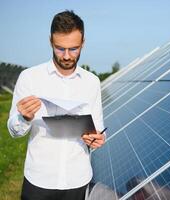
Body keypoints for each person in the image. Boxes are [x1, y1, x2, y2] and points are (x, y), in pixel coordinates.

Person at [7, 10, 106, 200]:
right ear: (50, 42)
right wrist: (24, 118)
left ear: (83, 43)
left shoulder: (92, 82)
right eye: (60, 48)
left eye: (74, 48)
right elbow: (13, 130)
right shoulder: (29, 78)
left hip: (78, 180)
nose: (67, 56)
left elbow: (98, 127)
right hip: (38, 181)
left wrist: (98, 138)